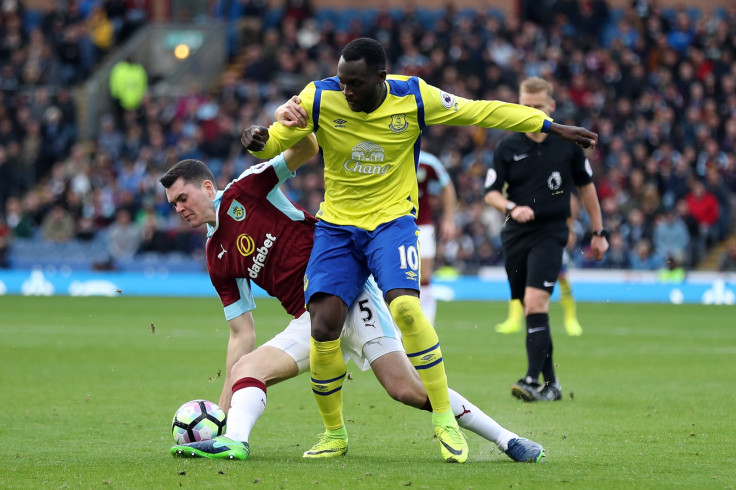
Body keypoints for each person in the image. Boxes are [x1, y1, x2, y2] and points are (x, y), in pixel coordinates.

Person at [242, 37, 597, 462]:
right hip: (337, 226)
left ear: (381, 78)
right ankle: (334, 433)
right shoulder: (319, 97)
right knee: (323, 326)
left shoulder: (413, 96)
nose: (347, 91)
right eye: (342, 82)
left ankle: (443, 416)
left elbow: (482, 110)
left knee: (408, 309)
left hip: (392, 222)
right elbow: (274, 142)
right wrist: (257, 138)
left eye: (355, 84)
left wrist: (549, 126)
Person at [160, 138, 544, 463]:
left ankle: (506, 439)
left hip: (352, 296)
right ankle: (235, 441)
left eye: (183, 197)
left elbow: (308, 146)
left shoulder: (248, 189)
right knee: (247, 368)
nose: (180, 209)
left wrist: (276, 133)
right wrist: (222, 409)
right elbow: (240, 333)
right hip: (309, 320)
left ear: (208, 188)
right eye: (174, 205)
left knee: (406, 389)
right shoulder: (216, 257)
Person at [483, 77, 608, 402]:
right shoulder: (507, 147)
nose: (530, 111)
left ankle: (529, 379)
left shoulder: (566, 145)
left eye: (537, 107)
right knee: (531, 310)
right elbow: (491, 194)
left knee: (537, 303)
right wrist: (512, 206)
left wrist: (598, 232)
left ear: (551, 107)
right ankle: (552, 384)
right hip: (515, 235)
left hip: (552, 233)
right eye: (524, 105)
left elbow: (587, 188)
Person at [495, 195, 584, 336]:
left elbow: (570, 196)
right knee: (519, 275)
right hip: (523, 232)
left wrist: (569, 227)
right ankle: (514, 319)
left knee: (561, 275)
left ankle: (571, 319)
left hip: (549, 233)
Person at [416, 150, 457, 324]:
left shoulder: (428, 161)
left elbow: (447, 187)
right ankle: (396, 331)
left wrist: (449, 219)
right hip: (395, 225)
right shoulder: (391, 154)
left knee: (424, 276)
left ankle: (428, 325)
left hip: (423, 225)